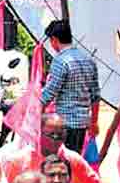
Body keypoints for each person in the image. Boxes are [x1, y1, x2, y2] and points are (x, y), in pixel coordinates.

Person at [39, 20, 100, 154]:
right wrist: (94, 122)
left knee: (62, 162)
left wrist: (36, 116)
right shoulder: (89, 60)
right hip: (82, 124)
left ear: (54, 39)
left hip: (63, 125)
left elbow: (48, 94)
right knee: (75, 159)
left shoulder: (60, 61)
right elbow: (95, 96)